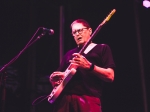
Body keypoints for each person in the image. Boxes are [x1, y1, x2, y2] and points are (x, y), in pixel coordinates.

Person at [49, 19, 115, 112]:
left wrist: (90, 66)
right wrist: (54, 80)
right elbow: (59, 80)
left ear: (90, 30)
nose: (77, 34)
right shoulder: (69, 54)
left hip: (88, 99)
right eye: (74, 32)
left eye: (80, 30)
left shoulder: (102, 48)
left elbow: (110, 76)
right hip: (64, 102)